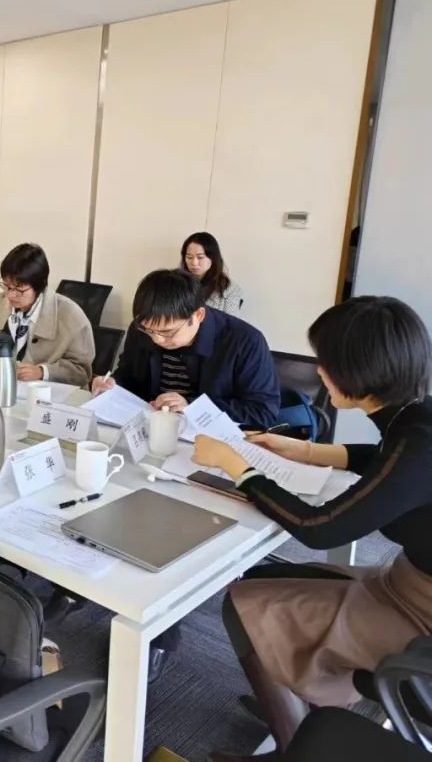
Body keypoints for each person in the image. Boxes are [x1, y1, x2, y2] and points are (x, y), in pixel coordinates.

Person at [190, 296, 432, 761]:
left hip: (421, 620)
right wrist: (307, 452)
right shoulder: (416, 417)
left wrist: (237, 466)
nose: (319, 371)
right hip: (406, 582)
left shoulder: (419, 445)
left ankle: (295, 744)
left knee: (246, 602)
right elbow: (387, 464)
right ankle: (305, 709)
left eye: (327, 362)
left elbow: (319, 529)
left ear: (358, 373)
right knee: (264, 582)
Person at [93, 269, 279, 429]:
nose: (157, 339)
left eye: (168, 332)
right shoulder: (142, 329)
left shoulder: (245, 341)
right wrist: (112, 385)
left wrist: (193, 407)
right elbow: (129, 375)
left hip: (211, 441)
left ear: (198, 315)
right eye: (149, 331)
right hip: (152, 429)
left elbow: (263, 413)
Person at [0, 243, 95, 385]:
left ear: (40, 285)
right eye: (7, 286)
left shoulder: (71, 317)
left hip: (43, 397)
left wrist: (43, 372)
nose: (11, 295)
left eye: (19, 289)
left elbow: (81, 371)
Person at [181, 232, 243, 315]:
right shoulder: (178, 283)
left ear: (213, 258)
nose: (194, 263)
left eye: (200, 257)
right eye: (189, 257)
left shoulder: (230, 289)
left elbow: (230, 321)